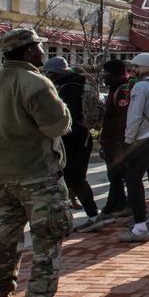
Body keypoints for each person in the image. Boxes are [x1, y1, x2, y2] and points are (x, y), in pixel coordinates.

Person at [0, 28, 74, 297]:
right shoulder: (36, 82)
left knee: (2, 243)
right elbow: (57, 125)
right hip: (38, 176)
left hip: (2, 177)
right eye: (39, 47)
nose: (44, 52)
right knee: (46, 242)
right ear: (29, 51)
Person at [40, 56, 105, 233]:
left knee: (71, 180)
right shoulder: (76, 84)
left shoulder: (66, 89)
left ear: (55, 73)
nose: (46, 75)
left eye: (48, 72)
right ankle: (91, 215)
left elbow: (66, 118)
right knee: (74, 180)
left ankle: (88, 216)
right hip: (81, 138)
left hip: (71, 139)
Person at [119, 53, 149, 242]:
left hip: (143, 138)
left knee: (133, 180)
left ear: (143, 68)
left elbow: (135, 115)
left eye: (135, 67)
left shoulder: (141, 86)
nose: (133, 70)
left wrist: (128, 139)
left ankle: (139, 227)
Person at [98, 59, 130, 221]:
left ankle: (110, 208)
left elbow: (122, 120)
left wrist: (118, 142)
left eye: (106, 73)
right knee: (116, 176)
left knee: (116, 175)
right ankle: (121, 205)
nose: (104, 76)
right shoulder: (115, 88)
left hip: (117, 143)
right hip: (111, 141)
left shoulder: (123, 90)